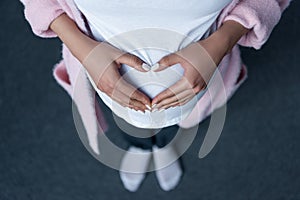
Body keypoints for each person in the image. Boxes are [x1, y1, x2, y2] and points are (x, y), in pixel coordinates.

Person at [20, 0, 291, 192]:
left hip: (197, 91)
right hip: (111, 92)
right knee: (128, 127)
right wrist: (84, 50)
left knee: (175, 127)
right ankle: (140, 146)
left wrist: (222, 42)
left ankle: (162, 146)